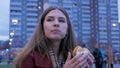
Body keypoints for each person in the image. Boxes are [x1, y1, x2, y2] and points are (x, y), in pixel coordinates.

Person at [13, 6, 94, 68]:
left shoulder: (75, 58)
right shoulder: (28, 58)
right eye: (50, 19)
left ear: (67, 30)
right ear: (42, 27)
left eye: (61, 20)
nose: (56, 23)